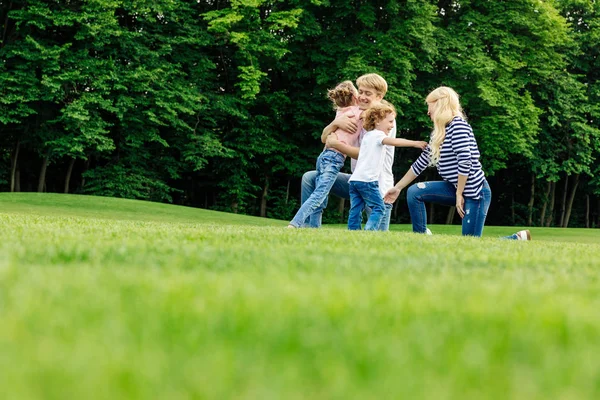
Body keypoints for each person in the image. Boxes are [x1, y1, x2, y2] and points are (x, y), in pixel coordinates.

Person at [383, 86, 531, 240]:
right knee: (414, 192)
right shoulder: (439, 132)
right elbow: (421, 163)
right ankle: (421, 238)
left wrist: (460, 193)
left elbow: (465, 161)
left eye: (430, 106)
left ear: (440, 104)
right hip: (455, 189)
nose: (428, 112)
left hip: (475, 193)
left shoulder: (458, 126)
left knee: (470, 243)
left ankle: (516, 238)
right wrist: (397, 188)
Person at [302, 73, 416, 230]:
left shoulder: (384, 118)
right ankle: (310, 228)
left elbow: (364, 154)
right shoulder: (356, 114)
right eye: (360, 92)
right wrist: (335, 123)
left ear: (379, 96)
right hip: (357, 182)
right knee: (310, 178)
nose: (362, 97)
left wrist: (336, 144)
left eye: (367, 93)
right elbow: (324, 138)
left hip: (377, 187)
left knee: (378, 242)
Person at [288, 81, 361, 228]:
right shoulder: (357, 112)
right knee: (319, 194)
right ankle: (295, 224)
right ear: (354, 96)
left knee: (321, 195)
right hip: (334, 158)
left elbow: (324, 139)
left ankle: (313, 229)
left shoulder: (340, 113)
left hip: (324, 156)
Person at [347, 102, 427, 230]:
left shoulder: (367, 136)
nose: (391, 126)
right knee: (379, 208)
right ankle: (370, 231)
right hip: (368, 181)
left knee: (355, 209)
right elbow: (394, 142)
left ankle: (353, 230)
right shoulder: (379, 135)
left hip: (354, 180)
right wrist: (415, 143)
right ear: (377, 121)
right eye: (390, 122)